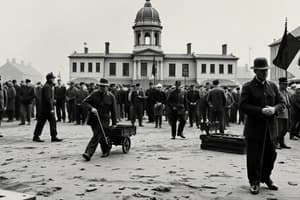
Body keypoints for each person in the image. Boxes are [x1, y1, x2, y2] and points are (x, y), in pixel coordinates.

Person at [240, 57, 284, 195]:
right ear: (256, 71)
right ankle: (254, 181)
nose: (265, 73)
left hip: (271, 128)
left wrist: (274, 109)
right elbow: (243, 105)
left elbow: (282, 103)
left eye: (266, 71)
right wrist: (260, 111)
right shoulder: (248, 87)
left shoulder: (273, 86)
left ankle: (266, 177)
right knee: (254, 156)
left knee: (271, 155)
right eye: (262, 71)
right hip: (254, 128)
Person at [82, 78, 117, 160]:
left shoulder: (111, 97)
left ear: (108, 87)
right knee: (99, 135)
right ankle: (106, 149)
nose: (103, 88)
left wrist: (114, 123)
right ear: (99, 86)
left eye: (104, 86)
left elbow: (114, 111)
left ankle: (88, 153)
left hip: (104, 119)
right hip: (94, 119)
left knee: (97, 134)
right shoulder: (94, 94)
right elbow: (84, 102)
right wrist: (91, 108)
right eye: (101, 86)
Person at [33, 73, 63, 143]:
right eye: (53, 78)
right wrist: (51, 108)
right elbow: (47, 99)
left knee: (41, 122)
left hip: (44, 108)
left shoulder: (48, 86)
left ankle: (36, 136)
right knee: (52, 122)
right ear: (50, 79)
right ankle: (53, 136)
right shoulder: (47, 87)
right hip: (47, 108)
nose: (54, 80)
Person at [276, 77, 291, 149]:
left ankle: (282, 143)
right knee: (279, 129)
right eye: (284, 84)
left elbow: (288, 100)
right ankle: (277, 143)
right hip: (279, 113)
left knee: (285, 129)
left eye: (286, 84)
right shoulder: (277, 92)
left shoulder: (286, 92)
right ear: (280, 84)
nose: (286, 85)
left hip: (286, 113)